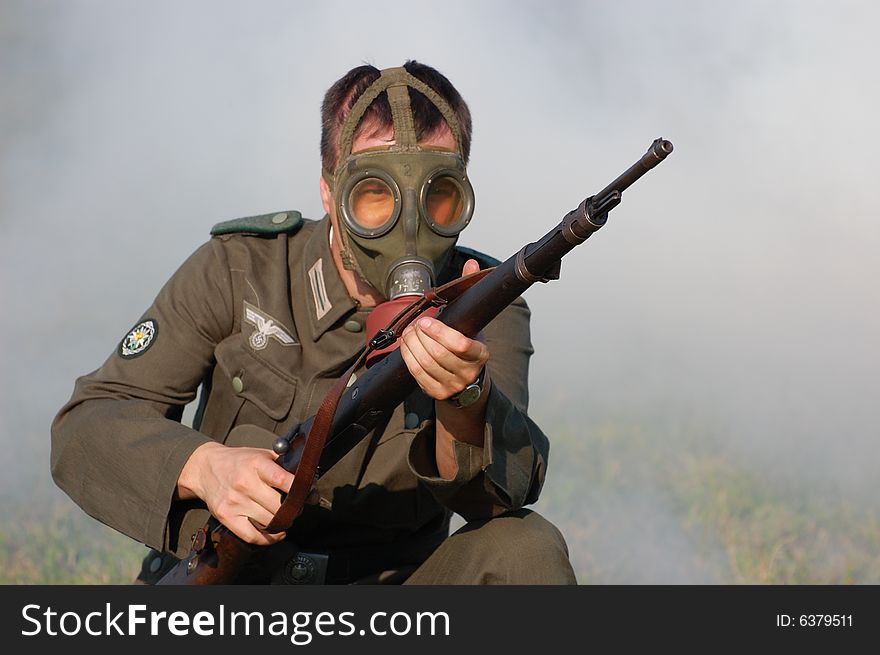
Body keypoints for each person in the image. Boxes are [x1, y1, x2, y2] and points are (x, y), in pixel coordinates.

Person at [51, 61, 577, 585]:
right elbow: (89, 423)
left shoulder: (484, 301)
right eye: (375, 195)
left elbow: (495, 500)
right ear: (329, 193)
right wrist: (205, 467)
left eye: (437, 196)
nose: (409, 224)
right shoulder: (242, 270)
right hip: (225, 580)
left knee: (523, 549)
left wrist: (465, 400)